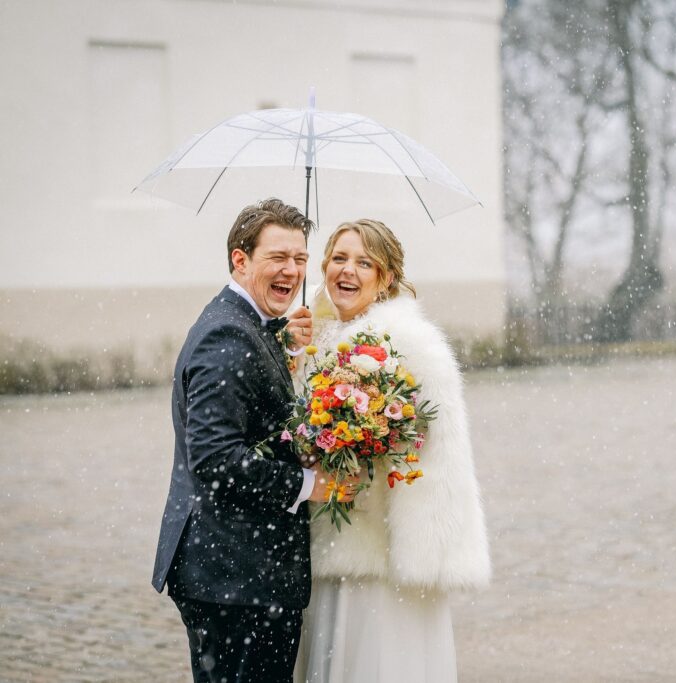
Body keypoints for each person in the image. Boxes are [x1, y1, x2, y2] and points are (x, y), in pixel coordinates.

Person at [293, 219, 490, 683]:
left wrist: (421, 553)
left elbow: (442, 451)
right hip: (328, 544)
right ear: (323, 267)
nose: (348, 270)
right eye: (339, 258)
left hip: (385, 556)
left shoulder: (409, 342)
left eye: (365, 263)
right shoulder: (313, 339)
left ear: (385, 280)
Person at [152, 198, 340, 682]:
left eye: (300, 258)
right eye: (278, 257)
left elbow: (256, 413)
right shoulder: (228, 337)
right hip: (235, 575)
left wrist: (283, 342)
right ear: (240, 259)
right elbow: (216, 460)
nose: (293, 270)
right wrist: (306, 485)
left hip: (236, 572)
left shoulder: (246, 324)